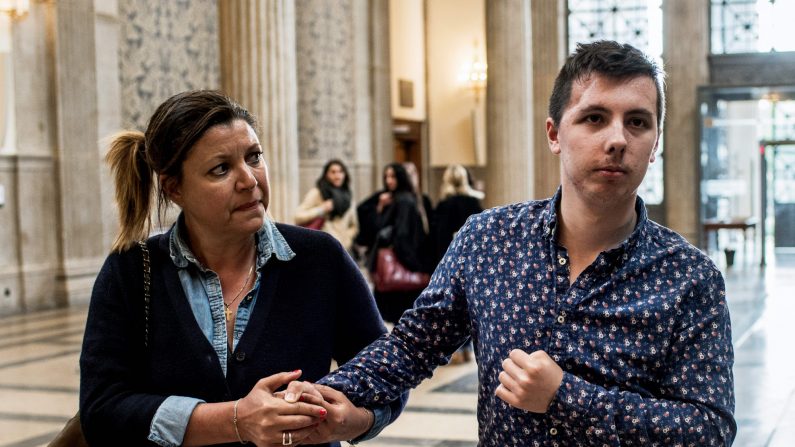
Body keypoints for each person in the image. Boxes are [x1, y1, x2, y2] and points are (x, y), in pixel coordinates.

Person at [296, 41, 736, 445]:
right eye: (594, 118)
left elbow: (709, 430)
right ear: (554, 134)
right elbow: (413, 346)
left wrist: (566, 396)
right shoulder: (488, 241)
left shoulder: (689, 278)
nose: (617, 139)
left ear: (655, 142)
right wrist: (321, 396)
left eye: (637, 122)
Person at [79, 90, 405, 446]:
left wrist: (349, 422)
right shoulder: (131, 271)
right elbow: (102, 410)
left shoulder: (319, 258)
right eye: (221, 169)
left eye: (254, 157)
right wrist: (235, 420)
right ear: (174, 189)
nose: (249, 180)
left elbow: (388, 376)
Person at [370, 162, 432, 323]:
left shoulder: (403, 200)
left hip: (403, 265)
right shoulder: (398, 199)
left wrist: (414, 263)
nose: (389, 181)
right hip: (404, 265)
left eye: (393, 176)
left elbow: (402, 235)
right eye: (386, 177)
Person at [294, 159, 358, 252]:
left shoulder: (348, 197)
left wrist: (347, 239)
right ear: (326, 174)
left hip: (342, 249)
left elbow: (354, 226)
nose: (337, 176)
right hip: (321, 248)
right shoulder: (317, 193)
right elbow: (298, 217)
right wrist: (321, 209)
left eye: (340, 172)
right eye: (333, 172)